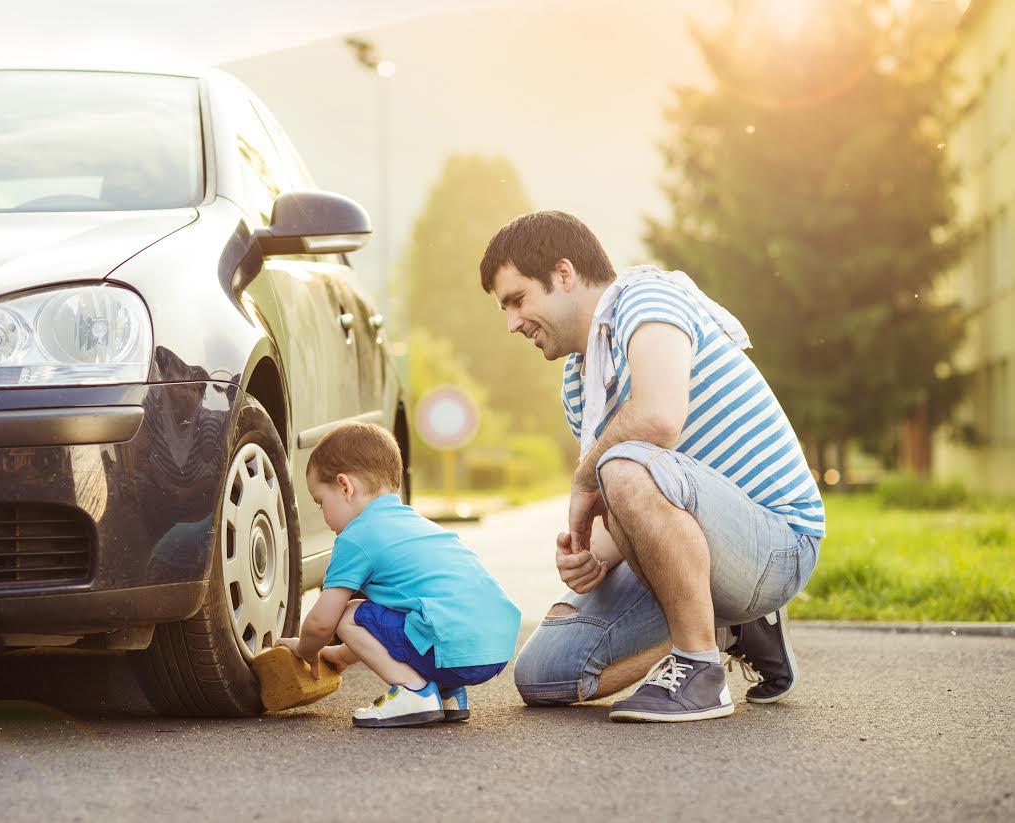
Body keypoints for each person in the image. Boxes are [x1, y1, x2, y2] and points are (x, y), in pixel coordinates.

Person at [478, 211, 822, 722]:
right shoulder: (579, 382)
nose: (511, 323)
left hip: (776, 543)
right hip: (694, 545)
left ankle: (700, 670)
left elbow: (659, 419)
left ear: (564, 275)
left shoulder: (647, 299)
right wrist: (588, 558)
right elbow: (636, 507)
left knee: (620, 461)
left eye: (517, 299)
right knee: (544, 675)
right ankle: (729, 628)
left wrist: (584, 477)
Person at [276, 421, 521, 728]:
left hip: (449, 645)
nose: (323, 515)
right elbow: (390, 625)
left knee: (347, 613)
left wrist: (305, 648)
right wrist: (342, 654)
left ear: (344, 486)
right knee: (398, 612)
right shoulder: (416, 524)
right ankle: (447, 695)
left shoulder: (356, 537)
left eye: (320, 502)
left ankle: (414, 691)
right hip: (491, 648)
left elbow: (323, 621)